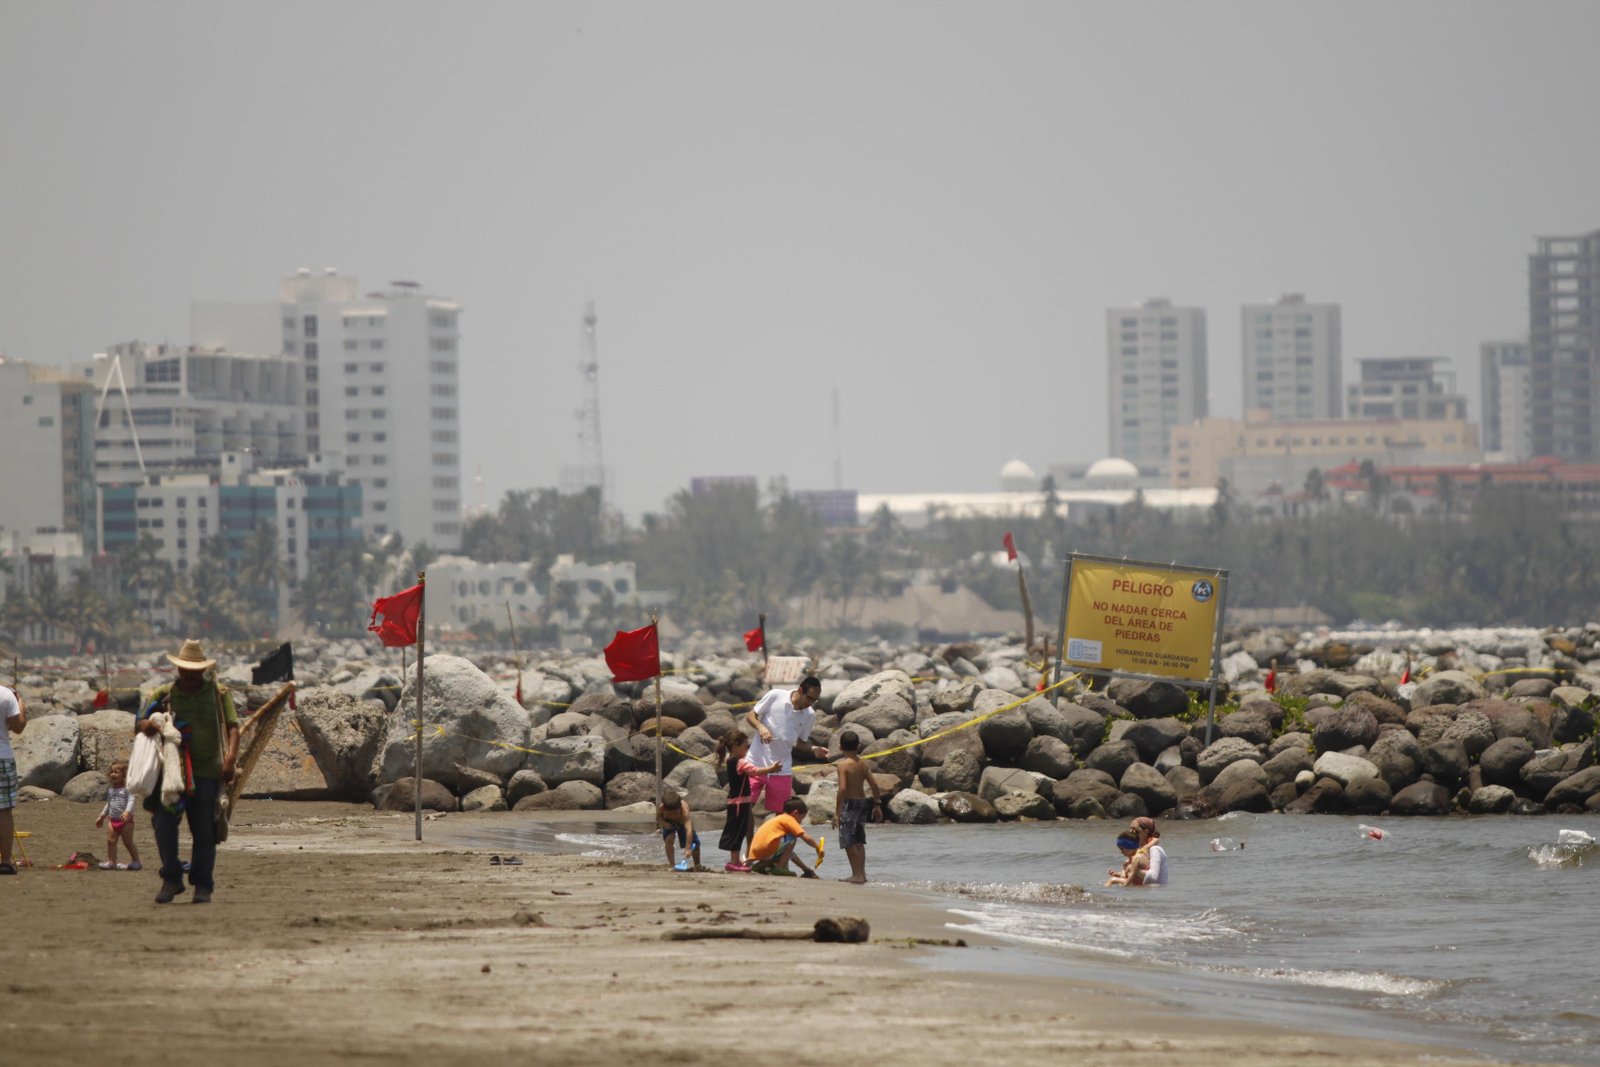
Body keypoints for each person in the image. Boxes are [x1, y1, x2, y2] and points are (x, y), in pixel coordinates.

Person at [136, 639, 240, 904]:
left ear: (203, 671)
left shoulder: (219, 692)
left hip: (207, 773)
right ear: (178, 670)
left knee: (205, 831)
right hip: (171, 775)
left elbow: (233, 727)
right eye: (186, 671)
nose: (191, 677)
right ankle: (171, 878)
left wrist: (229, 760)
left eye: (195, 672)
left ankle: (203, 885)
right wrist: (149, 724)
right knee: (164, 825)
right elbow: (139, 724)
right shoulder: (163, 694)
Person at [743, 676, 828, 825]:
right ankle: (750, 846)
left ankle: (781, 848)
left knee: (784, 817)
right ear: (800, 690)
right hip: (756, 764)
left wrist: (813, 749)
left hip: (782, 769)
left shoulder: (810, 715)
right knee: (743, 809)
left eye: (815, 700)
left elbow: (800, 743)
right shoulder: (775, 695)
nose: (811, 703)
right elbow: (751, 716)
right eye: (809, 698)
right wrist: (761, 728)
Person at [714, 729, 777, 872]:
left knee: (738, 830)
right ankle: (734, 862)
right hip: (739, 803)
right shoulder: (739, 762)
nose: (747, 749)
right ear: (736, 747)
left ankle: (735, 861)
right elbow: (754, 771)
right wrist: (771, 768)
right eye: (745, 746)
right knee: (737, 832)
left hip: (737, 802)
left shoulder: (731, 760)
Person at [831, 730, 883, 884]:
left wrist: (837, 812)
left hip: (850, 803)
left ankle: (857, 875)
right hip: (862, 803)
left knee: (848, 840)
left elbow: (842, 789)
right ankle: (862, 874)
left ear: (840, 747)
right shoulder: (863, 764)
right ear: (858, 746)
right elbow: (874, 785)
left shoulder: (842, 765)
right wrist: (877, 805)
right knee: (859, 840)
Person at [749, 797, 820, 878]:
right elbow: (804, 836)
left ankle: (760, 866)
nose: (800, 822)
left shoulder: (778, 819)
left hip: (757, 853)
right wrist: (817, 847)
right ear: (796, 813)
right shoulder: (789, 819)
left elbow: (789, 853)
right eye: (801, 818)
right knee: (792, 837)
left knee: (785, 846)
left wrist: (805, 869)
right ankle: (780, 867)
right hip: (767, 851)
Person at [95, 760, 143, 871]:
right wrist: (102, 816)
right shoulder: (111, 790)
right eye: (111, 772)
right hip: (113, 820)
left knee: (128, 842)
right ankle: (111, 861)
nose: (113, 774)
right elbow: (109, 804)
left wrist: (127, 812)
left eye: (116, 772)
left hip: (126, 821)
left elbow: (131, 800)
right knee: (110, 841)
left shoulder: (127, 789)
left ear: (124, 775)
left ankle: (136, 861)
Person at [0, 684, 26, 875]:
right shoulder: (5, 694)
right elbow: (18, 727)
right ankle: (6, 861)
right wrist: (21, 704)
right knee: (4, 810)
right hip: (2, 756)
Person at [656, 787, 702, 871]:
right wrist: (665, 823)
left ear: (680, 808)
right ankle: (672, 865)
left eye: (675, 813)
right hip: (668, 822)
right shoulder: (661, 807)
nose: (673, 816)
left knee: (695, 843)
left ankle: (697, 865)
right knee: (669, 839)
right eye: (669, 813)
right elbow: (658, 818)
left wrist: (687, 848)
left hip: (682, 822)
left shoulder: (684, 811)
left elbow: (689, 831)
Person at [1131, 816, 1169, 887]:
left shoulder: (1155, 849)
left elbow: (1153, 878)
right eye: (1130, 830)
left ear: (1145, 832)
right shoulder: (1138, 850)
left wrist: (1133, 869)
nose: (1131, 833)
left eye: (1135, 831)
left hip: (1156, 895)